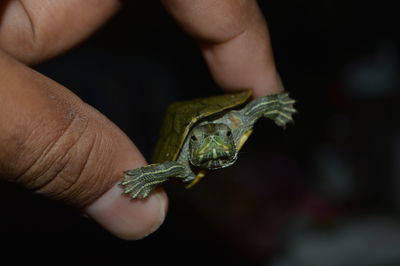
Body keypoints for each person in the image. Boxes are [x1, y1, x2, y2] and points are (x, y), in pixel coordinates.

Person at [0, 0, 283, 240]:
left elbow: (253, 108)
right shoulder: (181, 166)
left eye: (221, 135)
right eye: (197, 138)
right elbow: (160, 170)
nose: (209, 140)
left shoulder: (235, 122)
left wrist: (274, 104)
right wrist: (137, 180)